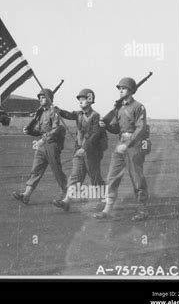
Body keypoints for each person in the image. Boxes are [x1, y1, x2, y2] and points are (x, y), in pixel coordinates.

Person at [95, 77, 150, 221]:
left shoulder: (138, 107)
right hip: (121, 143)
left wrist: (128, 144)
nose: (120, 91)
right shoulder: (119, 108)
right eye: (119, 88)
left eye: (123, 88)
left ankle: (142, 210)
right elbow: (116, 128)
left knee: (137, 178)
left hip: (134, 145)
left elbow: (141, 128)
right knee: (112, 177)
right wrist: (105, 125)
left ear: (131, 90)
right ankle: (107, 209)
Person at [52, 88, 107, 212]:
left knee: (95, 178)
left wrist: (85, 148)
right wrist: (59, 111)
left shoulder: (96, 116)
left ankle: (104, 200)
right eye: (79, 99)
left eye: (83, 99)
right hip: (79, 152)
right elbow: (69, 114)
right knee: (75, 176)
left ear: (90, 100)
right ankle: (66, 201)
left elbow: (95, 134)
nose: (80, 102)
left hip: (92, 153)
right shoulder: (78, 114)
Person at [12, 88, 67, 204]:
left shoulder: (53, 111)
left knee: (57, 171)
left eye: (43, 97)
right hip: (42, 144)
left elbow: (56, 129)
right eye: (40, 97)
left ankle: (67, 193)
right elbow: (40, 130)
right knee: (36, 170)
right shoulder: (40, 113)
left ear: (49, 99)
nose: (41, 99)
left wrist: (44, 140)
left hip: (52, 144)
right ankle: (26, 195)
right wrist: (29, 131)